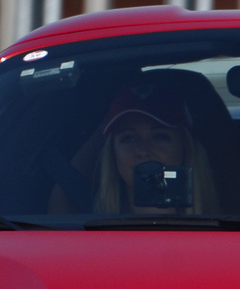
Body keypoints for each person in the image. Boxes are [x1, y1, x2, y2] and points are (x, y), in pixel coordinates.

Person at [93, 84, 219, 215]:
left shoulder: (226, 230)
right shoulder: (85, 227)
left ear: (185, 147)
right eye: (129, 138)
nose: (143, 151)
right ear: (113, 153)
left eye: (160, 137)